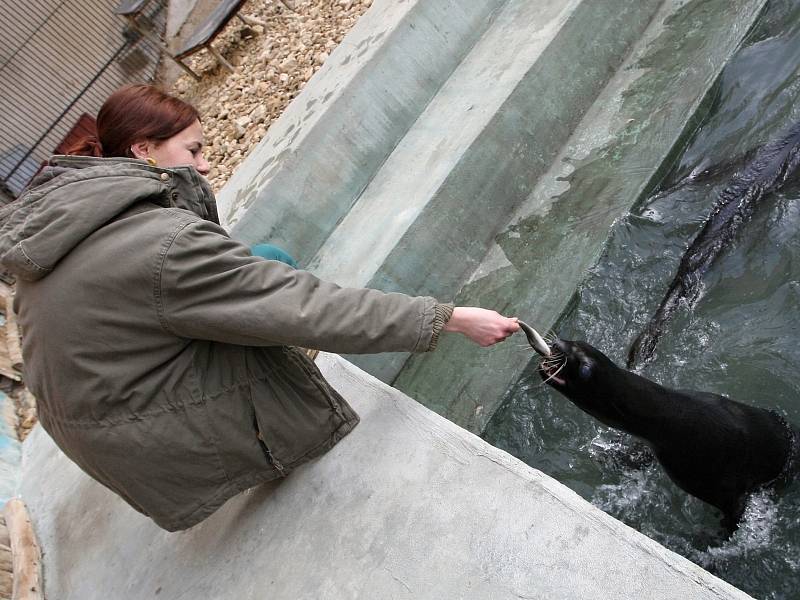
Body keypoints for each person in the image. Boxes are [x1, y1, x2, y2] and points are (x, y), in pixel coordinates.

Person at [0, 85, 520, 532]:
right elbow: (306, 308)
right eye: (194, 150)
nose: (205, 165)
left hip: (100, 425)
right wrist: (447, 318)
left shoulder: (75, 216)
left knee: (266, 260)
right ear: (145, 151)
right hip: (150, 438)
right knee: (274, 309)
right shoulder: (160, 245)